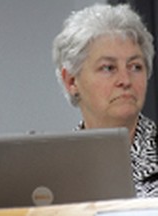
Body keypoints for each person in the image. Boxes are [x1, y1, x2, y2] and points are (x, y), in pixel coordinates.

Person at [53, 4, 158, 197]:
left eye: (135, 67)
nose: (125, 80)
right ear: (71, 81)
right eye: (108, 68)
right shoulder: (50, 168)